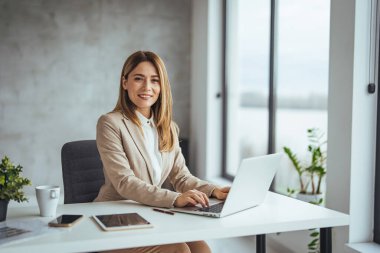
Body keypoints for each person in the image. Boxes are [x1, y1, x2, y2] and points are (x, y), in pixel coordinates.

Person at [94, 50, 230, 253]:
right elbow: (124, 182)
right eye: (138, 78)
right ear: (125, 82)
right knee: (179, 250)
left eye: (154, 80)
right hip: (117, 216)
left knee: (202, 249)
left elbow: (181, 177)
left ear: (162, 85)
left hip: (150, 213)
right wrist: (175, 199)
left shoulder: (169, 127)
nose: (147, 87)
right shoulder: (110, 123)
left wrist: (213, 191)